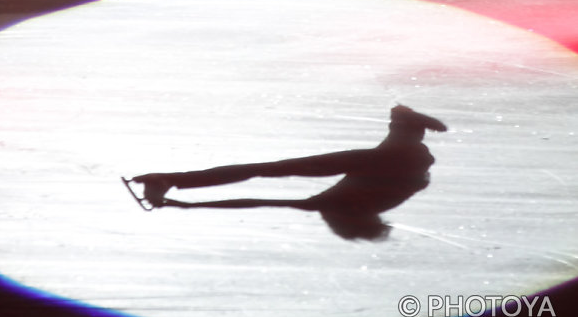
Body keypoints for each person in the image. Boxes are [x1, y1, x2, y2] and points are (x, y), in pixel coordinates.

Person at [127, 105, 447, 241]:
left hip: (402, 162)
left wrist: (188, 205)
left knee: (270, 170)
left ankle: (405, 121)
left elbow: (255, 201)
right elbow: (255, 201)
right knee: (271, 170)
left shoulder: (347, 207)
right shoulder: (344, 206)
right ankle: (404, 121)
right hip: (400, 163)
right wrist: (187, 205)